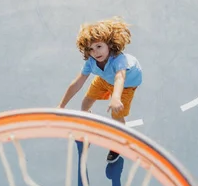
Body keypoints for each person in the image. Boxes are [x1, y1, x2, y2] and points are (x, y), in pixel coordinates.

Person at [58, 17, 142, 163]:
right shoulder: (92, 62)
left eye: (98, 46)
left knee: (117, 116)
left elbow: (119, 78)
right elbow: (77, 83)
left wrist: (115, 97)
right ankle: (86, 122)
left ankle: (119, 142)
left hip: (126, 85)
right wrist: (61, 105)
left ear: (109, 44)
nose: (95, 52)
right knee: (86, 102)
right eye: (90, 49)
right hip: (104, 79)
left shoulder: (119, 60)